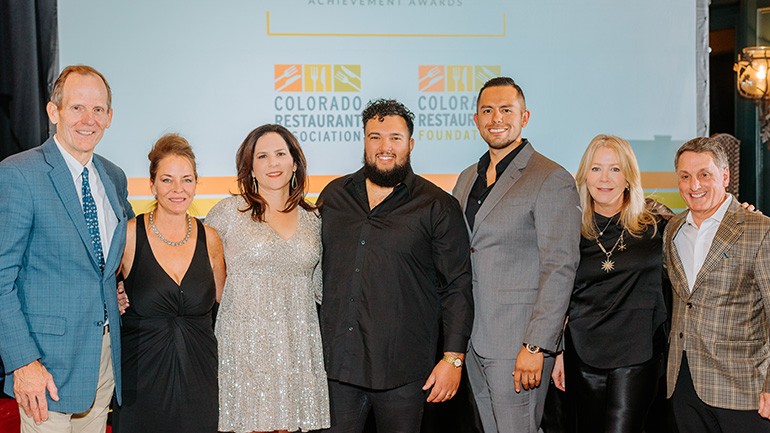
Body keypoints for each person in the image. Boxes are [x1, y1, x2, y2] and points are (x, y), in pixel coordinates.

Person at [318, 99, 473, 432]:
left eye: (394, 138)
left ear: (410, 144)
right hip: (337, 368)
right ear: (364, 141)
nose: (384, 147)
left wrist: (453, 358)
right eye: (375, 137)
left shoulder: (437, 205)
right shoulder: (334, 196)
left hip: (404, 371)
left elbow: (457, 285)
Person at [0, 65, 134, 432]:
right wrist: (22, 362)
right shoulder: (19, 174)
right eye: (77, 107)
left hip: (103, 358)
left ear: (110, 116)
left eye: (98, 109)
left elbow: (106, 263)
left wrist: (117, 290)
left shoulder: (114, 176)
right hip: (45, 367)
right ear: (53, 111)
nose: (88, 119)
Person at [451, 77, 581, 433]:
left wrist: (536, 344)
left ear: (525, 117)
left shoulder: (550, 177)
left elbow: (560, 267)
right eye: (487, 110)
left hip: (519, 342)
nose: (496, 118)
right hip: (474, 339)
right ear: (476, 119)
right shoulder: (466, 179)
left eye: (506, 110)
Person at [205, 124, 330, 433]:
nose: (273, 163)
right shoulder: (228, 213)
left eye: (280, 154)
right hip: (244, 347)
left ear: (295, 162)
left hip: (297, 347)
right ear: (250, 167)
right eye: (262, 156)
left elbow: (323, 289)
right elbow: (201, 276)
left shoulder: (314, 220)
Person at [549, 135, 671, 432]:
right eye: (596, 169)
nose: (605, 179)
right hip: (582, 355)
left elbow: (702, 233)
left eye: (615, 169)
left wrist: (742, 214)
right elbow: (556, 294)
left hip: (637, 355)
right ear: (584, 176)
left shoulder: (658, 226)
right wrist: (557, 353)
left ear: (629, 176)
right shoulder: (568, 229)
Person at [111, 134, 225, 433]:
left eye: (187, 180)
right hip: (141, 382)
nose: (178, 189)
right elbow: (100, 288)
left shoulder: (210, 239)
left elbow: (228, 305)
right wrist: (115, 293)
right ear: (152, 184)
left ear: (196, 184)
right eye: (167, 180)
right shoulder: (130, 235)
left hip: (200, 380)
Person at [664, 136, 770, 433]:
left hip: (743, 388)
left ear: (724, 176)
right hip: (684, 385)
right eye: (685, 177)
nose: (694, 185)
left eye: (704, 175)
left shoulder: (760, 230)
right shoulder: (673, 229)